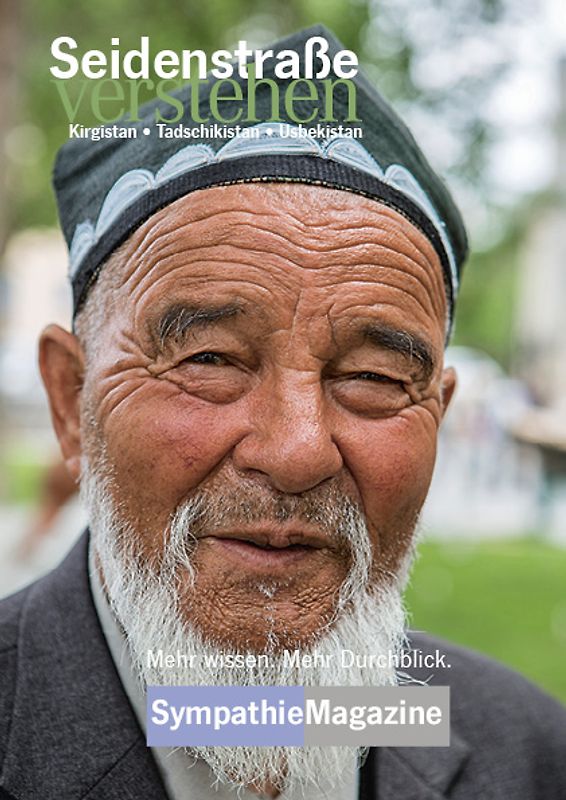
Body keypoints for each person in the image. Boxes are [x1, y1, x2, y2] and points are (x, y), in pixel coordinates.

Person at [0, 25, 564, 800]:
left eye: (372, 377)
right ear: (72, 401)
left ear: (438, 410)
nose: (298, 452)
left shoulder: (529, 753)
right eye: (210, 361)